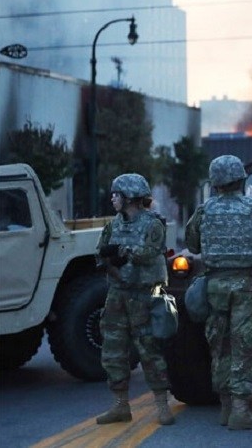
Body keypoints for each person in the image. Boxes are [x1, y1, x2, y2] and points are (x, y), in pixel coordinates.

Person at [185, 155, 252, 430]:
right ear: (241, 179)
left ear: (215, 183)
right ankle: (240, 411)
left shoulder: (204, 211)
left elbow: (192, 245)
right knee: (244, 346)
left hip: (215, 286)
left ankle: (226, 407)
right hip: (246, 286)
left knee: (220, 345)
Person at [95, 173, 173, 425]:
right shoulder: (113, 225)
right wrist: (109, 262)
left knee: (149, 350)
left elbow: (149, 252)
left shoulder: (153, 224)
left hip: (144, 294)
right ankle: (120, 405)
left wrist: (122, 252)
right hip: (118, 294)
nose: (112, 199)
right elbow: (101, 254)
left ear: (129, 197)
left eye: (116, 194)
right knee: (113, 350)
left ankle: (162, 405)